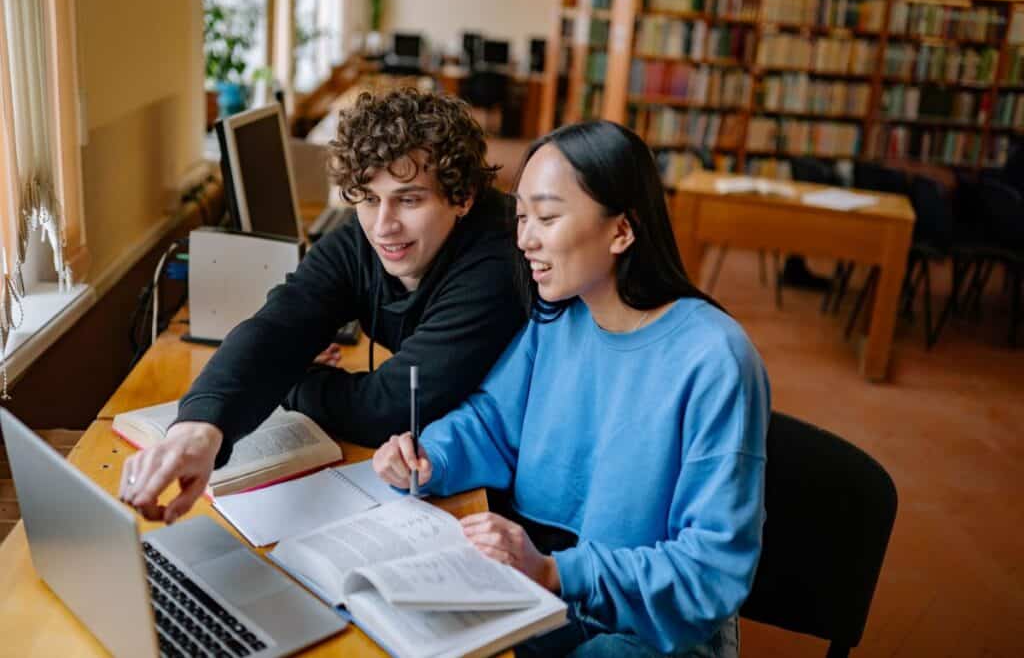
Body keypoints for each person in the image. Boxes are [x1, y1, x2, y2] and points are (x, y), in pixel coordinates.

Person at [373, 120, 770, 657]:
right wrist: (430, 456)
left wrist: (557, 571)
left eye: (548, 216)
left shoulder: (714, 359)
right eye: (520, 217)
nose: (524, 239)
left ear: (622, 231)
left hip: (652, 631)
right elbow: (494, 422)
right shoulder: (556, 316)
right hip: (554, 591)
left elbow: (710, 570)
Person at [119, 88, 525, 523]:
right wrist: (199, 428)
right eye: (368, 198)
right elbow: (281, 324)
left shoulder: (498, 258)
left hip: (506, 498)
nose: (383, 226)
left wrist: (294, 377)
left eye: (409, 199)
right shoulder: (363, 235)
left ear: (462, 196)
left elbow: (387, 408)